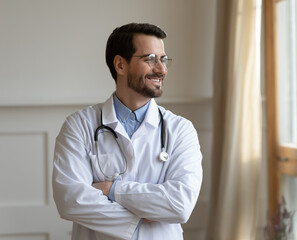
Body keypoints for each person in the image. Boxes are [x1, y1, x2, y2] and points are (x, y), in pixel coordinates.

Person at [52, 23, 203, 240]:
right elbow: (70, 200)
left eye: (163, 59)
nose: (161, 69)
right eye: (150, 59)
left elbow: (179, 205)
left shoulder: (180, 130)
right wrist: (142, 216)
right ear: (120, 65)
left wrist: (111, 189)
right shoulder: (78, 126)